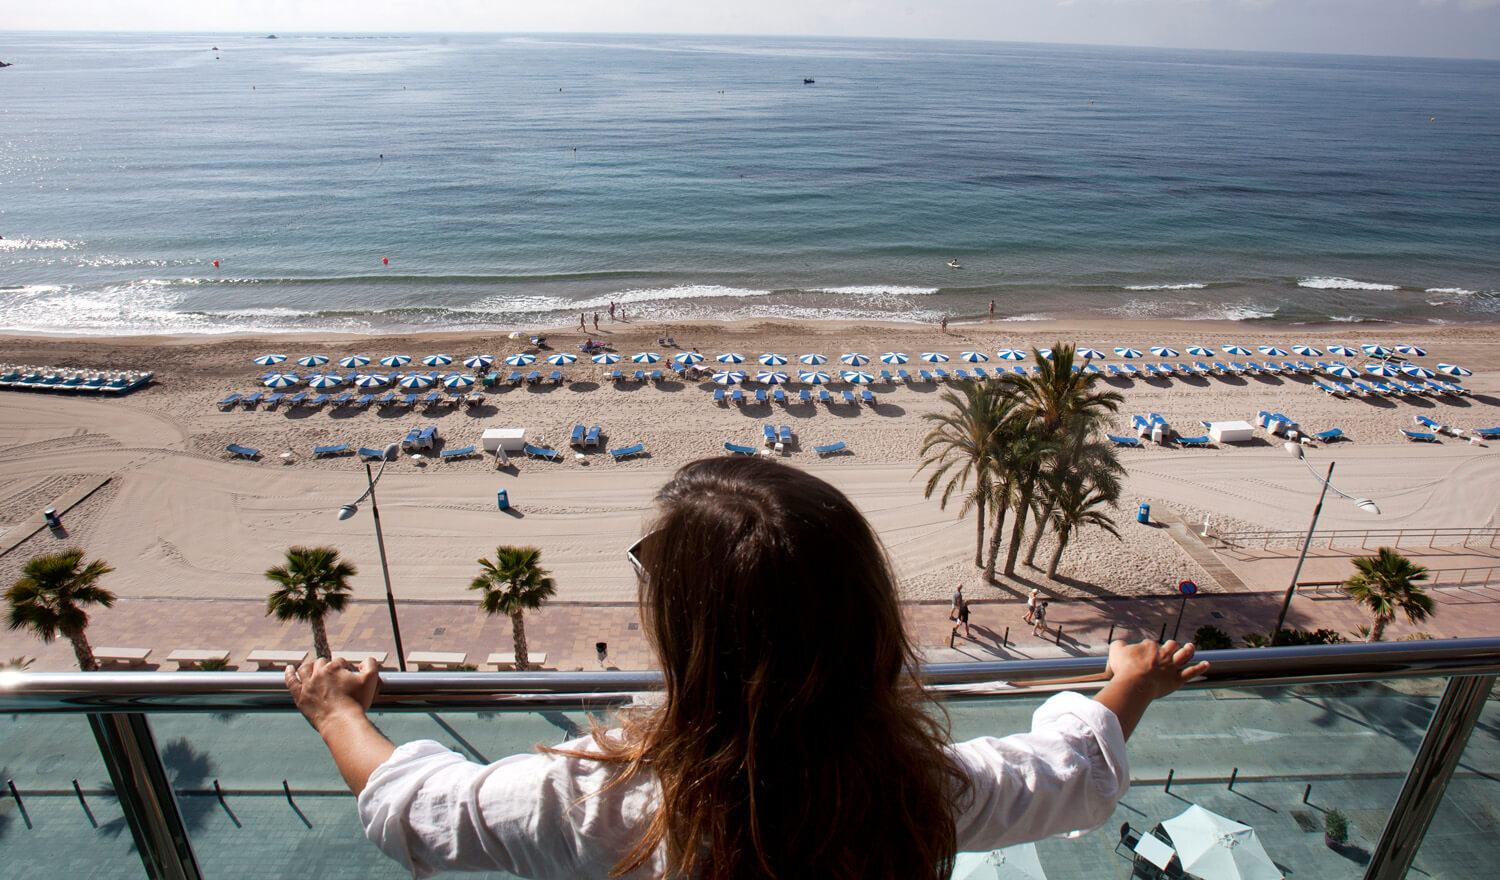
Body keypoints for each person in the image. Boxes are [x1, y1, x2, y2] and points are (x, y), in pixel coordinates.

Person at [287, 457, 1207, 880]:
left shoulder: (586, 803)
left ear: (686, 635)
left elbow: (412, 809)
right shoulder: (919, 794)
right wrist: (1131, 680)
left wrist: (336, 714)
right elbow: (1067, 772)